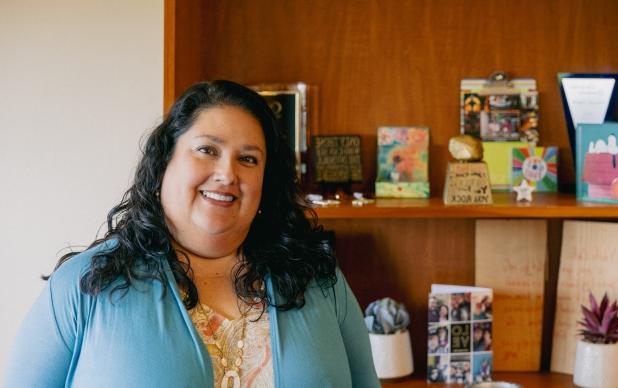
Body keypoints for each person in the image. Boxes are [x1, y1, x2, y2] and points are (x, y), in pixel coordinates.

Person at [4, 80, 380, 388]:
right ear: (163, 164)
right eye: (207, 150)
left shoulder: (320, 281)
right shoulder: (85, 287)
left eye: (248, 159)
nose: (227, 174)